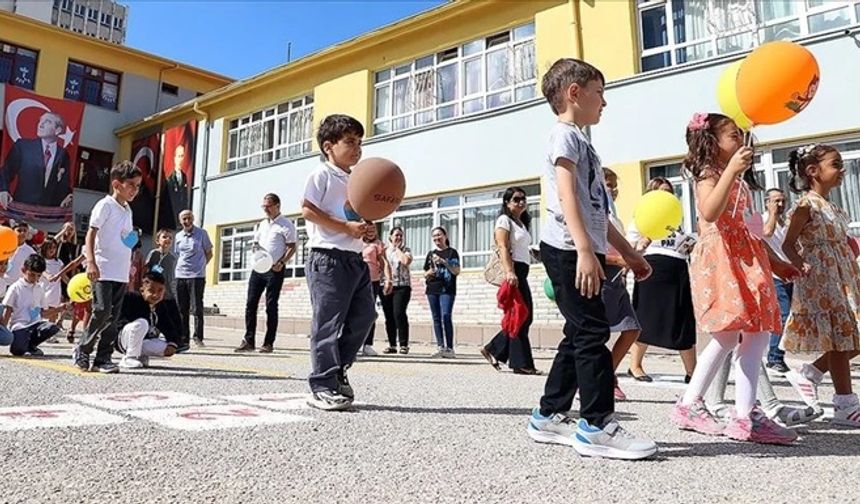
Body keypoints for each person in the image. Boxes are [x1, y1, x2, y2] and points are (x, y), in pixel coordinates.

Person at [525, 58, 657, 460]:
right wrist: (585, 250)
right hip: (567, 248)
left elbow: (598, 209)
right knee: (592, 333)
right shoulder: (563, 137)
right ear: (574, 93)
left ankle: (548, 414)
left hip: (582, 245)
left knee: (580, 330)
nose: (605, 102)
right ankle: (597, 425)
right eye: (600, 92)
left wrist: (630, 253)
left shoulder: (583, 143)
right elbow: (565, 197)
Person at [669, 112, 797, 444]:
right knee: (730, 336)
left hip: (746, 258)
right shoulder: (708, 175)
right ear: (711, 143)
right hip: (723, 260)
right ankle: (708, 408)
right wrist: (730, 171)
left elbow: (749, 231)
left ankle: (741, 414)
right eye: (732, 136)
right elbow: (710, 212)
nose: (740, 141)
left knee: (752, 335)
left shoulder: (739, 183)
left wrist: (777, 263)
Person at [300, 114, 376, 411]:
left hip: (354, 259)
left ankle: (337, 370)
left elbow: (356, 219)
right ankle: (321, 385)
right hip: (327, 258)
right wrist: (345, 229)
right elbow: (307, 211)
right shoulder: (322, 174)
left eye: (360, 142)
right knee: (327, 324)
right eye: (351, 142)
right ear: (329, 146)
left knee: (365, 316)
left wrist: (367, 230)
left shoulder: (356, 179)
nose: (358, 148)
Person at [781, 144, 860, 427]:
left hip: (844, 278)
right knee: (841, 340)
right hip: (822, 280)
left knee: (851, 338)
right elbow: (787, 243)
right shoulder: (806, 205)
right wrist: (799, 264)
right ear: (814, 171)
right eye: (836, 164)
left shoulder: (834, 207)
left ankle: (811, 372)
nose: (842, 170)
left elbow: (844, 244)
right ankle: (845, 404)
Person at [626, 177, 697, 384]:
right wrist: (641, 243)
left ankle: (692, 371)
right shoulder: (640, 218)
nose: (666, 195)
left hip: (678, 271)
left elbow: (679, 244)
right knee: (646, 318)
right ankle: (635, 365)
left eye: (669, 191)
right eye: (661, 191)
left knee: (683, 320)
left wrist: (689, 246)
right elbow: (629, 248)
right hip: (652, 271)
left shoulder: (676, 220)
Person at [73, 160, 141, 373]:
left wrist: (132, 253)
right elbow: (91, 234)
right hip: (102, 268)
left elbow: (124, 238)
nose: (134, 190)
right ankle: (83, 349)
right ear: (116, 184)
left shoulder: (128, 210)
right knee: (101, 310)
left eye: (138, 186)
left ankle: (103, 358)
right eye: (131, 184)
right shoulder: (105, 205)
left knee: (113, 317)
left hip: (120, 271)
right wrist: (91, 262)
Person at [480, 186, 540, 375]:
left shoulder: (521, 223)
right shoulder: (503, 220)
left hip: (522, 270)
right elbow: (503, 247)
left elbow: (521, 247)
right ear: (507, 202)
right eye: (516, 199)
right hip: (514, 271)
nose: (521, 202)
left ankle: (493, 348)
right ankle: (521, 363)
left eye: (523, 198)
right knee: (523, 315)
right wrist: (509, 272)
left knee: (521, 315)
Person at [599, 169, 643, 400]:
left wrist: (635, 256)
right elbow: (586, 252)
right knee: (598, 333)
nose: (612, 190)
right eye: (608, 184)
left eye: (615, 186)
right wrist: (617, 260)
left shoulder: (613, 216)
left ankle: (606, 374)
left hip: (618, 278)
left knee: (632, 328)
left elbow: (621, 249)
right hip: (602, 275)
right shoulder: (594, 213)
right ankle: (597, 379)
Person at [235, 193, 297, 354]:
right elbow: (257, 243)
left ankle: (268, 343)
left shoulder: (286, 224)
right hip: (258, 268)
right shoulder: (263, 224)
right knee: (250, 304)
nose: (266, 209)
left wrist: (282, 262)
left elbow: (292, 246)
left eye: (268, 206)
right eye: (264, 206)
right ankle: (249, 340)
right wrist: (255, 249)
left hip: (275, 269)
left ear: (277, 205)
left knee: (271, 305)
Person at [0, 112, 72, 208]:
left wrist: (68, 195)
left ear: (57, 130)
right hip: (22, 208)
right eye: (40, 121)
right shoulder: (23, 146)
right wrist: (3, 190)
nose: (41, 124)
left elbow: (63, 183)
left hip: (48, 212)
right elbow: (6, 172)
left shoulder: (63, 154)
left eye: (47, 122)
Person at [2, 254, 67, 356]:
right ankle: (24, 346)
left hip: (35, 326)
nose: (35, 278)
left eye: (38, 276)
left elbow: (43, 313)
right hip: (19, 326)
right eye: (32, 275)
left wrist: (59, 309)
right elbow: (8, 309)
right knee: (17, 351)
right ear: (23, 270)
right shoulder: (15, 288)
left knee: (51, 327)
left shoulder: (39, 289)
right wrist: (4, 330)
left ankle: (31, 347)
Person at [116, 271, 180, 369]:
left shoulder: (161, 306)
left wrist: (173, 342)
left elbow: (168, 326)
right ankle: (129, 357)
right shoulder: (131, 298)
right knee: (142, 323)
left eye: (160, 291)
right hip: (124, 339)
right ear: (142, 290)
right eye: (151, 291)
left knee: (166, 348)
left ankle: (140, 355)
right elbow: (119, 320)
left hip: (143, 340)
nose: (156, 295)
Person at [762, 188, 792, 374]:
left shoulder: (785, 222)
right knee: (784, 314)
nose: (780, 205)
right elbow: (766, 234)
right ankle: (774, 357)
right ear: (767, 202)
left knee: (790, 316)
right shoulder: (764, 219)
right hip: (774, 275)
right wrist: (772, 213)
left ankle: (778, 355)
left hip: (788, 273)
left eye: (782, 201)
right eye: (776, 201)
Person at [174, 209, 213, 349]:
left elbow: (209, 253)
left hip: (197, 276)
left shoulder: (202, 234)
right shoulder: (178, 236)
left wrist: (201, 266)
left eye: (189, 218)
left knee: (197, 308)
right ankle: (184, 339)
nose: (187, 221)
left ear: (193, 218)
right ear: (180, 221)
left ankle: (198, 337)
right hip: (180, 275)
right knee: (182, 308)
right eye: (184, 219)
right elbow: (178, 255)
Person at [423, 227, 460, 358]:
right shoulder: (430, 253)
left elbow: (456, 271)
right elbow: (425, 272)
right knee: (436, 317)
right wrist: (428, 273)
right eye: (434, 236)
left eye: (439, 235)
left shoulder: (452, 252)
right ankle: (440, 346)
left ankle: (450, 348)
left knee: (446, 315)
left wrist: (444, 262)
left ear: (445, 236)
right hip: (432, 288)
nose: (437, 238)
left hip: (447, 289)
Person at [358, 224, 390, 357]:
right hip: (356, 281)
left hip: (373, 281)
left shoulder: (378, 244)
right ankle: (351, 344)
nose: (371, 232)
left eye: (373, 230)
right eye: (368, 229)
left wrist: (388, 279)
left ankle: (368, 344)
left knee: (369, 313)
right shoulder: (356, 242)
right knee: (354, 312)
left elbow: (384, 262)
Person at [381, 227, 413, 354]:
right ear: (390, 237)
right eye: (396, 235)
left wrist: (398, 249)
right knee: (389, 315)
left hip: (402, 286)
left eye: (401, 235)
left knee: (399, 313)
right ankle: (392, 344)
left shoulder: (406, 250)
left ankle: (404, 344)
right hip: (387, 285)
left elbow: (406, 261)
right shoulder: (385, 251)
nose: (398, 238)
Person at [39, 237, 65, 324]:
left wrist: (70, 283)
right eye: (49, 247)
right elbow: (41, 272)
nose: (52, 250)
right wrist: (47, 276)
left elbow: (63, 275)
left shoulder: (59, 262)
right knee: (42, 312)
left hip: (55, 291)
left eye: (54, 247)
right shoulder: (41, 261)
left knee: (53, 312)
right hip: (43, 289)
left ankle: (50, 332)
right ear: (44, 248)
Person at [166, 144, 190, 222]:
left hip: (182, 215)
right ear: (175, 158)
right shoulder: (170, 179)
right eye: (179, 156)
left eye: (182, 156)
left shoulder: (184, 176)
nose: (181, 159)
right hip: (173, 215)